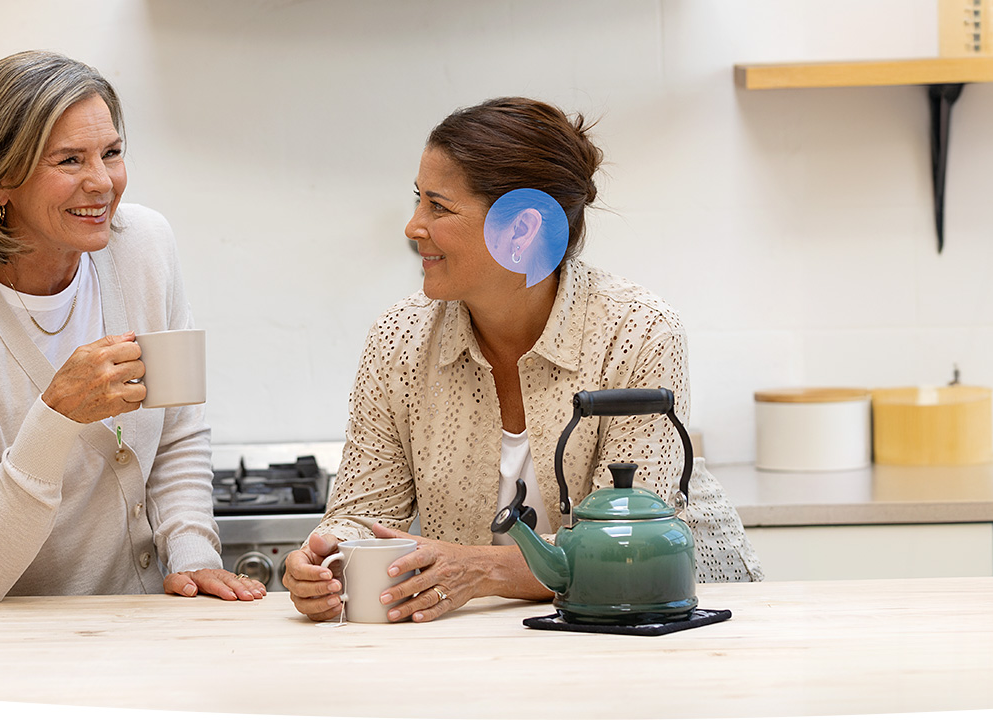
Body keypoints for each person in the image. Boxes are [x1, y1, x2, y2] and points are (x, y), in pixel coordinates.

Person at [282, 98, 763, 623]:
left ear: (521, 231)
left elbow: (625, 546)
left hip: (668, 620)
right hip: (495, 636)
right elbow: (362, 516)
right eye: (418, 200)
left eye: (438, 207)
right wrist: (327, 560)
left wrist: (483, 569)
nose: (413, 226)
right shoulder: (399, 339)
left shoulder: (640, 331)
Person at [0, 51, 262, 603]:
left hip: (133, 631)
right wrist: (55, 415)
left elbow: (178, 430)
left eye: (111, 153)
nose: (102, 182)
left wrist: (192, 555)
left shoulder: (145, 250)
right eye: (69, 160)